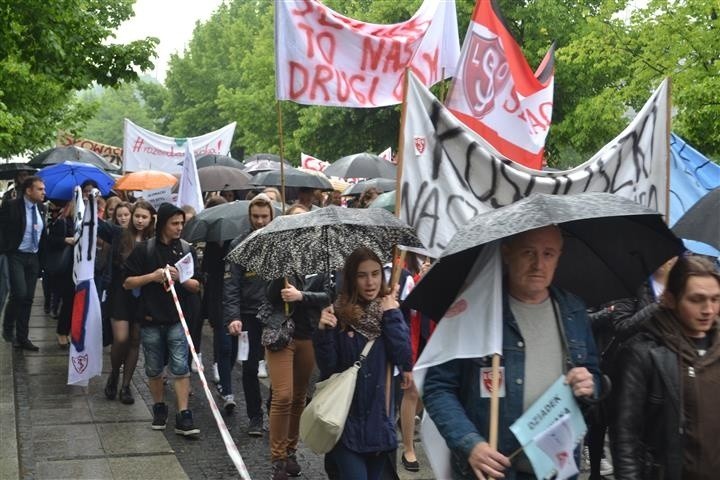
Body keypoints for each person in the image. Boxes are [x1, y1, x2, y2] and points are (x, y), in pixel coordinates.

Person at [422, 225, 600, 480]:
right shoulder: (474, 312)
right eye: (529, 252)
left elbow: (593, 375)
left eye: (548, 253)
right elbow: (438, 387)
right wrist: (470, 443)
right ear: (506, 252)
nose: (539, 264)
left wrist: (590, 385)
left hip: (556, 468)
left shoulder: (574, 311)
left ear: (559, 256)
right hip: (493, 471)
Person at [611, 255, 720, 480]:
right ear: (670, 299)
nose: (708, 309)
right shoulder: (643, 353)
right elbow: (625, 436)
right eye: (696, 299)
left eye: (715, 299)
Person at [314, 246, 413, 480]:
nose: (370, 282)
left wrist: (392, 316)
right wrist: (324, 332)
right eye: (362, 275)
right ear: (351, 279)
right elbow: (328, 367)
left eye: (375, 273)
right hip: (345, 422)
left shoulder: (389, 310)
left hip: (380, 423)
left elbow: (404, 357)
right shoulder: (338, 314)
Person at [262, 203, 331, 479]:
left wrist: (301, 296)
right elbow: (268, 296)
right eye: (294, 221)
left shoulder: (321, 259)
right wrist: (280, 273)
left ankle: (290, 451)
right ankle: (277, 458)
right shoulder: (279, 256)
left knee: (299, 396)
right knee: (283, 395)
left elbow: (329, 296)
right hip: (281, 333)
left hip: (308, 332)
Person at [123, 202, 201, 436]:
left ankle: (183, 413)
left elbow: (197, 286)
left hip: (178, 319)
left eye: (181, 223)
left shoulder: (186, 249)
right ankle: (159, 407)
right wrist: (152, 276)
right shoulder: (144, 250)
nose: (179, 228)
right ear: (163, 224)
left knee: (180, 366)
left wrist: (180, 279)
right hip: (150, 319)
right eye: (174, 223)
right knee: (154, 367)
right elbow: (127, 282)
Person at [224, 193, 275, 436]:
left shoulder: (280, 243)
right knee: (249, 367)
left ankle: (275, 407)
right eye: (256, 216)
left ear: (272, 216)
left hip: (277, 314)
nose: (260, 221)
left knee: (278, 367)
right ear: (250, 216)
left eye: (264, 216)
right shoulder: (238, 245)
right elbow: (231, 285)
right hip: (248, 314)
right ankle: (255, 416)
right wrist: (233, 316)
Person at [104, 200, 156, 405]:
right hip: (120, 292)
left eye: (144, 217)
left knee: (135, 340)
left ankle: (126, 385)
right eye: (137, 216)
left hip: (144, 296)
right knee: (121, 338)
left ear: (152, 219)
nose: (140, 220)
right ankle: (115, 372)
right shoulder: (121, 236)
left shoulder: (154, 240)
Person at [0, 176, 47, 350]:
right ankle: (7, 326)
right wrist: (5, 249)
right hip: (16, 255)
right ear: (29, 190)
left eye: (44, 189)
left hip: (33, 258)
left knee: (28, 298)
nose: (44, 192)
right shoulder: (11, 206)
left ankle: (23, 337)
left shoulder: (41, 208)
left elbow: (43, 235)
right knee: (19, 293)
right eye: (40, 189)